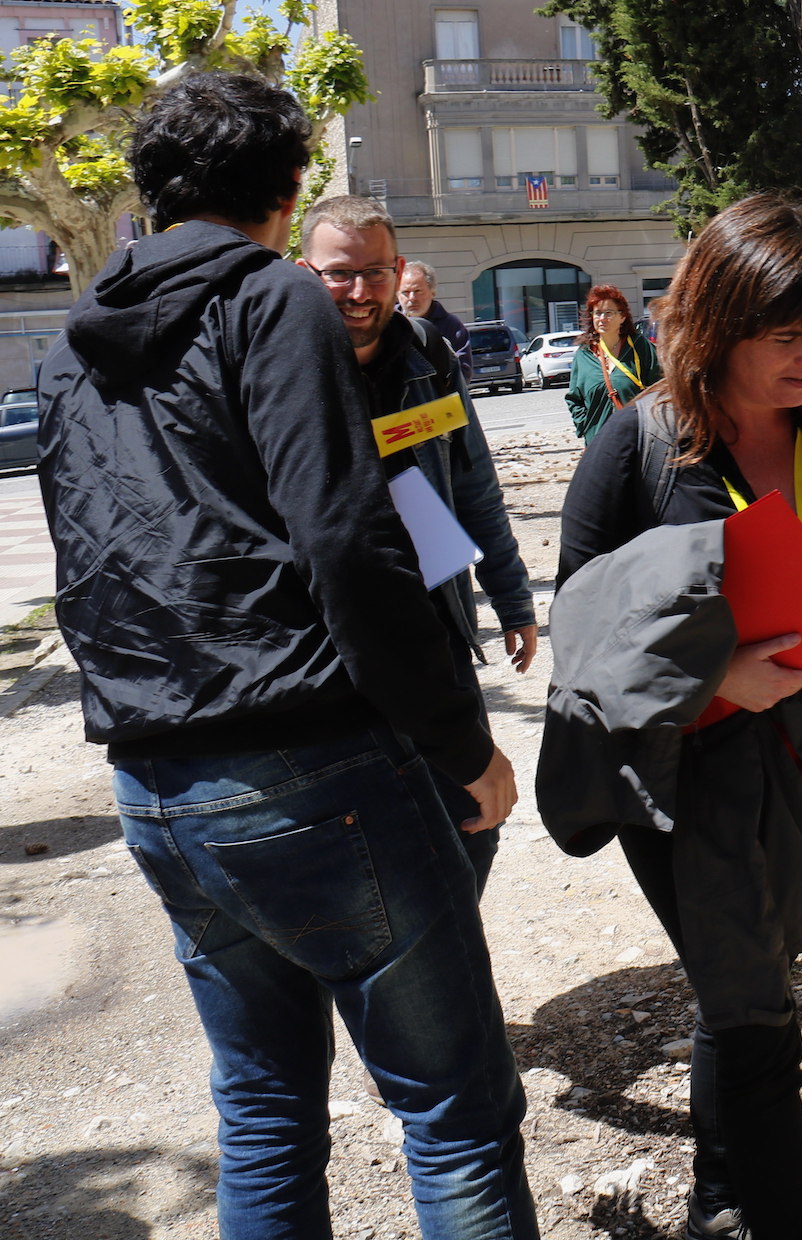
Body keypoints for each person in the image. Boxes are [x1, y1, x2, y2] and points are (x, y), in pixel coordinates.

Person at [36, 71, 537, 1237]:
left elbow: (90, 559)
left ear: (151, 187)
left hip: (154, 782)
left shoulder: (70, 345)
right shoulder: (273, 299)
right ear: (286, 190)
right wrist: (463, 744)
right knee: (454, 1108)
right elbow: (348, 543)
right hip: (311, 766)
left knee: (262, 1108)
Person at [555, 193, 802, 1240]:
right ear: (718, 327)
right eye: (786, 336)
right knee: (757, 1006)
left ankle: (719, 1195)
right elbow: (580, 633)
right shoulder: (640, 446)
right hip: (673, 771)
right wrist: (713, 682)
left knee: (741, 981)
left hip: (800, 756)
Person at [300, 194, 542, 890]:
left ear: (398, 270)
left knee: (472, 818)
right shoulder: (287, 364)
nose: (357, 290)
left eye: (374, 272)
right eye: (338, 273)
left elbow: (475, 486)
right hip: (336, 642)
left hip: (435, 620)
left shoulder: (429, 353)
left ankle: (453, 972)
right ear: (304, 272)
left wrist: (512, 598)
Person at [565, 282, 661, 442]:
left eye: (609, 313)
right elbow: (574, 399)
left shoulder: (639, 347)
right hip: (598, 443)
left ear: (622, 317)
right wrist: (585, 426)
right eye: (597, 313)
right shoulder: (584, 354)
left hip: (636, 441)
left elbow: (659, 389)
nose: (602, 319)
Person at [398, 257, 471, 366]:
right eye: (405, 292)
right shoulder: (388, 324)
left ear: (432, 292)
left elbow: (463, 370)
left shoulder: (451, 326)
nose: (412, 298)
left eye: (418, 291)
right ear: (397, 295)